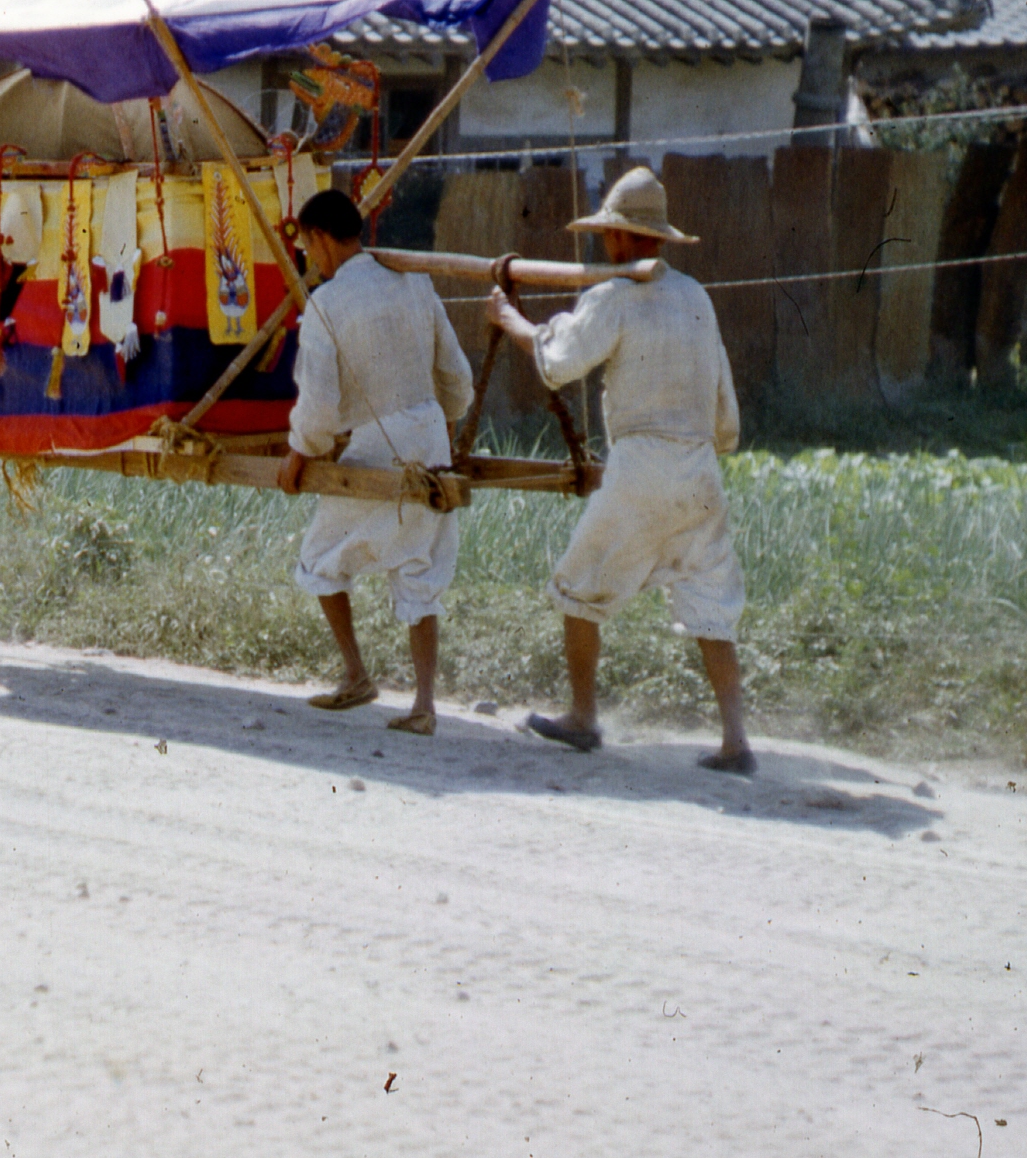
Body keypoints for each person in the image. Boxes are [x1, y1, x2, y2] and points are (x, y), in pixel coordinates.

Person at [485, 167, 752, 772]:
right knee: (711, 599)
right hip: (699, 468)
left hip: (641, 466)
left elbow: (559, 361)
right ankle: (736, 741)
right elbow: (723, 401)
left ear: (626, 237)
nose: (606, 243)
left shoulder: (612, 298)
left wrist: (509, 320)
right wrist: (713, 445)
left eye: (610, 233)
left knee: (579, 588)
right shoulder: (695, 297)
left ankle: (582, 718)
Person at [275, 186, 474, 736]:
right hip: (429, 436)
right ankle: (424, 704)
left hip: (378, 444)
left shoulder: (327, 303)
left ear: (320, 239)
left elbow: (318, 406)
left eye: (309, 248)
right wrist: (446, 425)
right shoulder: (413, 281)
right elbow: (456, 377)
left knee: (320, 558)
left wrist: (298, 453)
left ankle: (357, 674)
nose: (312, 260)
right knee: (420, 568)